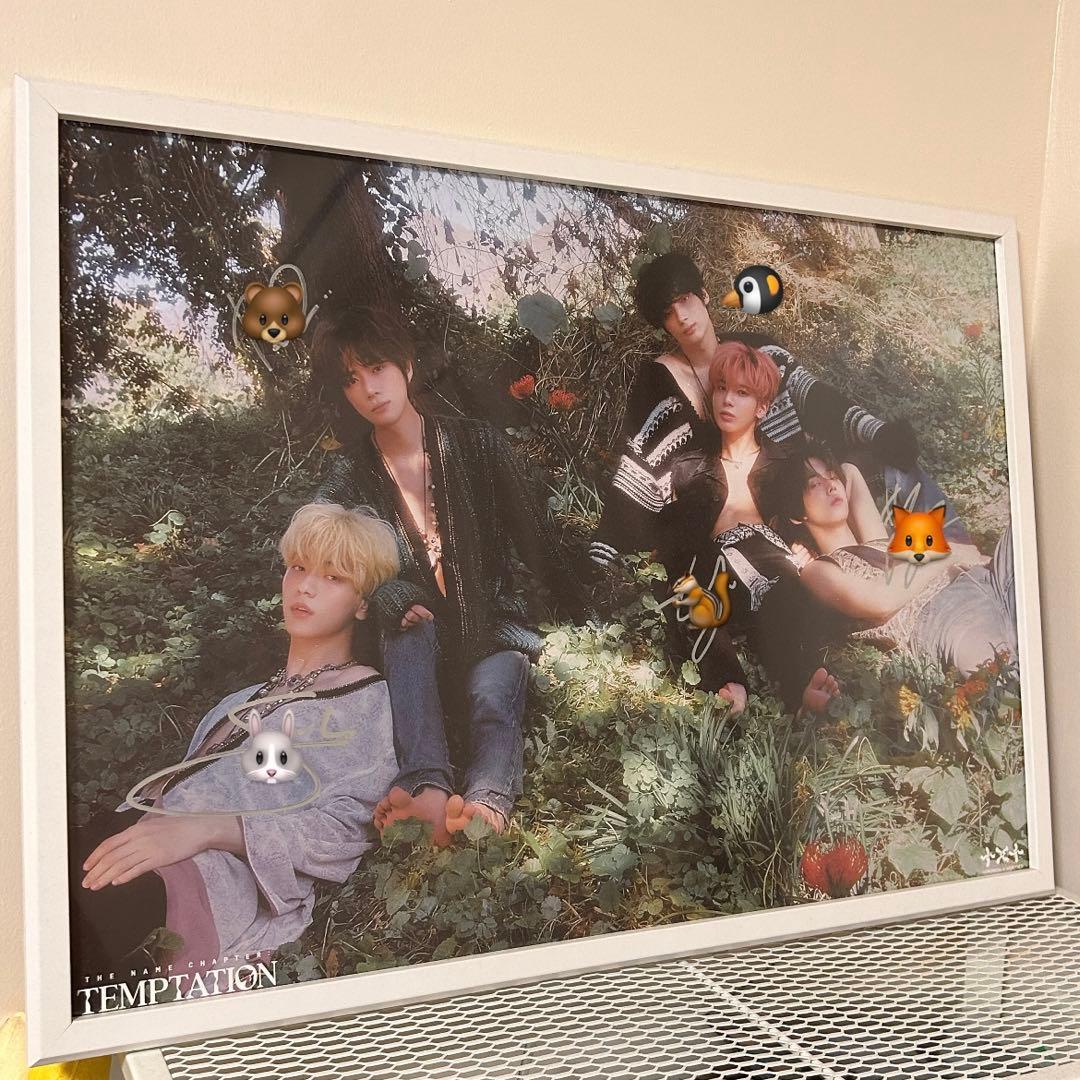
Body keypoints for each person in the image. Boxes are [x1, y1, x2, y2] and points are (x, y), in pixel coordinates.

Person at [69, 502, 402, 1013]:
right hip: (131, 834)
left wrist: (211, 829)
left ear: (362, 603)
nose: (305, 587)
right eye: (298, 567)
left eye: (333, 577)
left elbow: (346, 829)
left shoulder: (363, 700)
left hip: (197, 876)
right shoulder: (240, 702)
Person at [310, 306, 588, 840]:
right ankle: (427, 789)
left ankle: (486, 802)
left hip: (493, 628)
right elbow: (315, 543)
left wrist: (586, 611)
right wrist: (381, 592)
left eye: (377, 367)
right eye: (351, 379)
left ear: (406, 366)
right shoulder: (352, 471)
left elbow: (537, 539)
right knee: (408, 625)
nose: (369, 388)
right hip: (418, 652)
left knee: (492, 698)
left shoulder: (478, 442)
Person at [589, 250, 919, 569]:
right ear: (663, 324)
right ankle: (863, 574)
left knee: (863, 471)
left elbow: (815, 398)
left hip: (795, 493)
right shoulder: (658, 381)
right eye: (668, 312)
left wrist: (879, 433)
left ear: (703, 294)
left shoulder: (757, 349)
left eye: (685, 299)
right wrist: (608, 546)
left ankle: (879, 568)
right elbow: (639, 465)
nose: (682, 317)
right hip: (729, 524)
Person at [658, 341, 838, 715]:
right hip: (712, 572)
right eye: (722, 388)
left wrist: (804, 547)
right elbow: (676, 544)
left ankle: (802, 683)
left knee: (783, 590)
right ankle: (730, 683)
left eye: (742, 393)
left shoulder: (784, 465)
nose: (727, 400)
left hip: (772, 570)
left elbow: (803, 518)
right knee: (686, 595)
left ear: (762, 407)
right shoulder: (690, 466)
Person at [776, 448, 1017, 673]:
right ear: (796, 514)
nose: (831, 486)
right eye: (814, 484)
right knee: (1008, 677)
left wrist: (831, 473)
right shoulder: (816, 571)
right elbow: (881, 600)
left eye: (831, 477)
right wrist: (949, 553)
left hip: (984, 578)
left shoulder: (874, 540)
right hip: (947, 617)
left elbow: (849, 472)